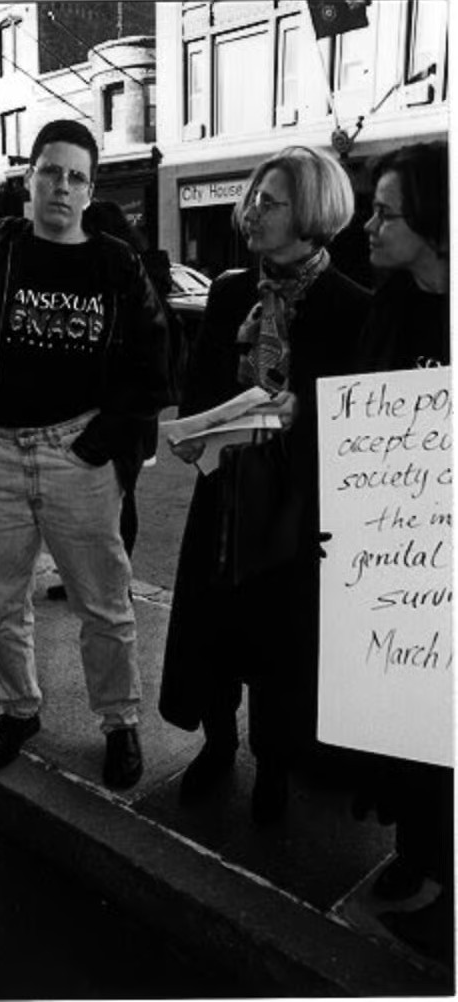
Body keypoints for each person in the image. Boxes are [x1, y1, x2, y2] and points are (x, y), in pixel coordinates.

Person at [0, 121, 171, 789]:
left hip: (77, 455)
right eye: (51, 171)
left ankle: (119, 721)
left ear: (90, 189)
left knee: (103, 604)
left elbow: (158, 359)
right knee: (3, 603)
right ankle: (19, 710)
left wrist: (102, 442)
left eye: (76, 176)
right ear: (29, 177)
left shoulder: (115, 261)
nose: (62, 186)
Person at [159, 145, 370, 821]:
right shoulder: (226, 293)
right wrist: (219, 398)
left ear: (311, 212)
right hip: (224, 500)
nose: (251, 211)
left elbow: (356, 432)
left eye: (268, 201)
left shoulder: (352, 306)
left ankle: (274, 768)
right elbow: (193, 397)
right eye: (250, 198)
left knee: (282, 649)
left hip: (296, 514)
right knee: (213, 638)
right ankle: (218, 747)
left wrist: (300, 410)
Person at [350, 141, 452, 962]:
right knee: (411, 727)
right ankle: (420, 858)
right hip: (398, 560)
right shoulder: (389, 306)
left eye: (387, 212)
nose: (371, 226)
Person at [45, 199, 179, 601]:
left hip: (123, 408)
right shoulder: (136, 270)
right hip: (121, 409)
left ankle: (112, 583)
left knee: (119, 495)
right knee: (111, 497)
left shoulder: (127, 275)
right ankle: (91, 580)